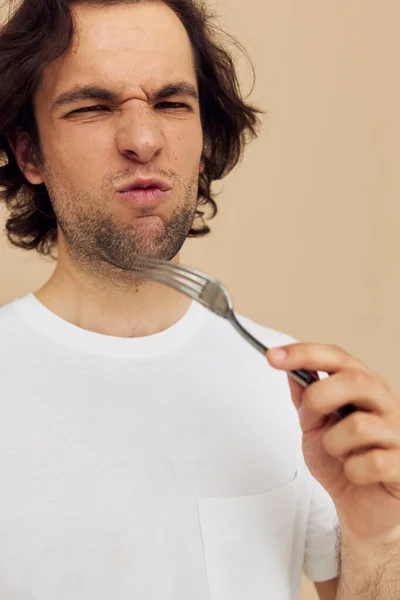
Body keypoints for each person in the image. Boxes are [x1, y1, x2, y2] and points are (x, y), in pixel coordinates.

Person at [0, 1, 399, 598]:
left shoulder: (297, 393)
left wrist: (378, 534)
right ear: (29, 153)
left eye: (170, 102)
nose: (143, 139)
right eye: (92, 106)